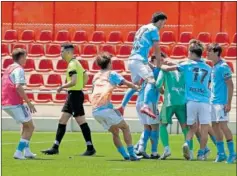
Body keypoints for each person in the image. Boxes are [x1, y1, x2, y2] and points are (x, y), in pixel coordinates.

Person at [161, 41, 212, 161]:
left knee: (192, 127)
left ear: (192, 53)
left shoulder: (187, 65)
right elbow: (209, 83)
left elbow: (169, 68)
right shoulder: (209, 68)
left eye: (189, 52)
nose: (188, 54)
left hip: (191, 101)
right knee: (204, 128)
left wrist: (161, 66)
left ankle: (187, 142)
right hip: (204, 100)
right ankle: (201, 153)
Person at [41, 43, 96, 156]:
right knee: (62, 120)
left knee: (81, 121)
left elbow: (74, 81)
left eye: (62, 52)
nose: (60, 54)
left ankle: (90, 148)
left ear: (68, 52)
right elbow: (86, 76)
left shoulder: (72, 65)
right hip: (73, 95)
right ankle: (55, 147)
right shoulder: (76, 62)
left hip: (74, 96)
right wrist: (80, 87)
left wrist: (62, 87)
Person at [91, 52, 140, 161]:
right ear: (109, 63)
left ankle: (125, 155)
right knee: (125, 127)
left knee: (115, 132)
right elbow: (124, 82)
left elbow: (93, 91)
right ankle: (132, 154)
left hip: (95, 111)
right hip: (105, 110)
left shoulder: (96, 75)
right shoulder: (111, 73)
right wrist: (135, 87)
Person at [118, 12, 167, 119]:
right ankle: (145, 105)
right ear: (160, 21)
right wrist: (158, 64)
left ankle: (122, 106)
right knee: (151, 80)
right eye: (164, 23)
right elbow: (157, 48)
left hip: (132, 60)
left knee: (135, 85)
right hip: (139, 60)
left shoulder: (142, 28)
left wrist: (148, 63)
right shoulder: (154, 29)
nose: (164, 26)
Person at [2, 48, 37, 159]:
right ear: (21, 57)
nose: (26, 59)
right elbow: (18, 86)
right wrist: (29, 102)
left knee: (25, 125)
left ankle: (27, 151)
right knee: (30, 127)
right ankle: (18, 152)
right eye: (25, 57)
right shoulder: (19, 69)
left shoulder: (9, 68)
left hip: (5, 102)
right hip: (14, 103)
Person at [156, 60, 192, 160]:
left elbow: (158, 84)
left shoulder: (164, 70)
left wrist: (162, 91)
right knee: (185, 127)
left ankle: (167, 149)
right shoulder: (183, 71)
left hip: (169, 101)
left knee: (162, 125)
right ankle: (190, 150)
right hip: (182, 101)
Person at [207, 43, 236, 164]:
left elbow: (230, 84)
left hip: (221, 103)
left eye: (210, 51)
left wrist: (228, 103)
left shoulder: (223, 66)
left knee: (223, 126)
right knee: (214, 126)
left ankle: (233, 153)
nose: (207, 53)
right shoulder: (214, 67)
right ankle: (221, 153)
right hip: (213, 102)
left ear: (216, 52)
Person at [134, 54, 161, 159]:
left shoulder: (145, 74)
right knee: (155, 127)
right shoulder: (156, 71)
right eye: (160, 60)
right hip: (149, 102)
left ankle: (141, 148)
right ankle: (154, 152)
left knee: (147, 127)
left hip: (139, 102)